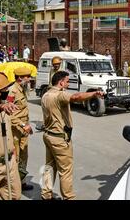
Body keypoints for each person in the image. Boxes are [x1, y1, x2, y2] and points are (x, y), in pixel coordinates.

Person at [41, 71, 104, 200]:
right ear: (61, 82)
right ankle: (68, 197)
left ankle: (46, 194)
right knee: (65, 171)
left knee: (49, 167)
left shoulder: (46, 95)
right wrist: (94, 93)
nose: (68, 84)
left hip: (48, 135)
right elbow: (76, 97)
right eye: (67, 81)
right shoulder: (59, 95)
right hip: (60, 139)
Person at [8, 67, 34, 191]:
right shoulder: (12, 91)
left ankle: (22, 182)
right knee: (16, 158)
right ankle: (14, 186)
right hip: (16, 130)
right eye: (27, 77)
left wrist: (26, 126)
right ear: (19, 78)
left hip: (24, 129)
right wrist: (23, 125)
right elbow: (10, 115)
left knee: (24, 156)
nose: (29, 79)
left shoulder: (22, 89)